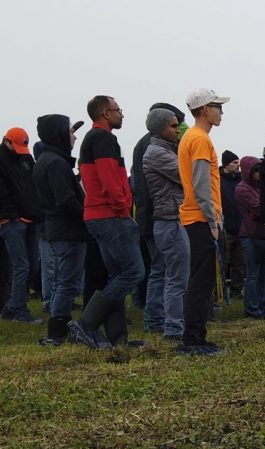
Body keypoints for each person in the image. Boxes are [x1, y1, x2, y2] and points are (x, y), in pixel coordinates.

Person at [71, 95, 144, 349]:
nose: (121, 114)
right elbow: (110, 178)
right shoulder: (103, 139)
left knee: (118, 275)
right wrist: (123, 208)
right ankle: (85, 325)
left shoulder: (93, 139)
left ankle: (118, 339)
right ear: (105, 113)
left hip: (98, 216)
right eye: (118, 110)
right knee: (134, 271)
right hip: (110, 216)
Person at [177, 88, 231, 355]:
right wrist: (212, 219)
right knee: (201, 281)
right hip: (200, 218)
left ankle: (196, 337)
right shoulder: (199, 139)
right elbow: (201, 185)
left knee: (202, 279)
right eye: (216, 107)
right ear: (203, 110)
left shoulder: (193, 137)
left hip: (196, 216)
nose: (221, 112)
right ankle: (193, 340)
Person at [131, 101, 186, 335]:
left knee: (162, 269)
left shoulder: (157, 147)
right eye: (174, 125)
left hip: (156, 214)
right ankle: (162, 321)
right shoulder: (154, 149)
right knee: (167, 271)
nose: (178, 130)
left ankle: (156, 319)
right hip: (160, 215)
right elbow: (186, 175)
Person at [32, 114, 87, 346]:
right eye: (70, 132)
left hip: (58, 228)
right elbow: (65, 200)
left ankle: (58, 327)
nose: (74, 136)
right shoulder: (55, 163)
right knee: (67, 281)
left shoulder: (47, 160)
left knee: (62, 280)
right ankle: (58, 330)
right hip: (67, 230)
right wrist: (87, 216)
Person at [0, 127, 43, 323]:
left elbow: (33, 184)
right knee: (21, 266)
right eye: (16, 146)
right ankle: (18, 310)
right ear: (7, 141)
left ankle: (13, 307)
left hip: (30, 219)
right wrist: (10, 217)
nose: (20, 151)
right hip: (11, 221)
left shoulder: (26, 159)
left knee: (32, 265)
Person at [233, 155, 265, 319]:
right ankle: (251, 308)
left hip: (263, 234)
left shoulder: (259, 187)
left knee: (263, 272)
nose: (259, 173)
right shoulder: (242, 189)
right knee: (252, 274)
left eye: (260, 170)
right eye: (255, 170)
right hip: (250, 235)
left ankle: (262, 305)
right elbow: (259, 208)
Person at [220, 150, 245, 298]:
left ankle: (236, 291)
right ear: (226, 164)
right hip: (225, 227)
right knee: (223, 261)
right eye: (235, 163)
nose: (238, 166)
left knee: (239, 263)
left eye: (239, 163)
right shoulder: (217, 180)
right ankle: (220, 292)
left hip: (240, 226)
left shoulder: (241, 179)